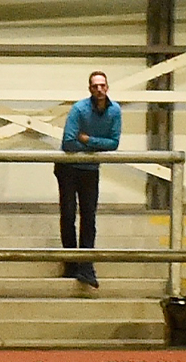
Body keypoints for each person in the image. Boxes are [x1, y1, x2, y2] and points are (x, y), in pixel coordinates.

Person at [55, 70, 121, 289]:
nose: (99, 89)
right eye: (95, 86)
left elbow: (114, 143)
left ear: (107, 87)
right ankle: (72, 263)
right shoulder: (79, 109)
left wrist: (88, 139)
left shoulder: (115, 110)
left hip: (90, 169)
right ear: (90, 89)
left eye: (102, 85)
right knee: (68, 215)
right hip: (68, 168)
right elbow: (68, 142)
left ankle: (85, 264)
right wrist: (96, 144)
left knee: (89, 217)